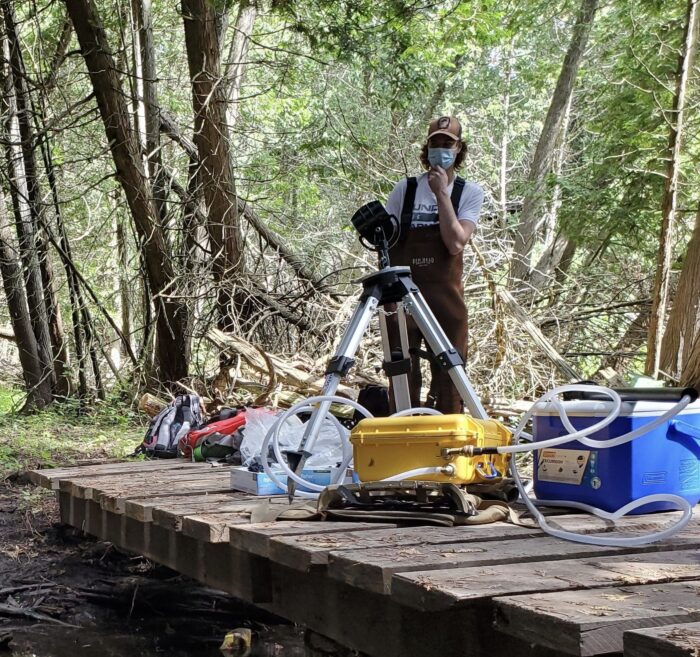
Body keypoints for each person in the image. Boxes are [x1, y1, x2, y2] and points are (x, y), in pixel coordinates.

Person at [383, 115, 484, 414]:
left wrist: (442, 193)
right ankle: (403, 430)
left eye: (448, 144)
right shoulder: (406, 189)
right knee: (401, 369)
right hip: (402, 293)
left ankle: (448, 439)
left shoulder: (469, 193)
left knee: (451, 372)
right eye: (435, 143)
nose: (441, 149)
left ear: (459, 149)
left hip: (445, 295)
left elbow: (455, 242)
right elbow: (386, 240)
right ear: (426, 148)